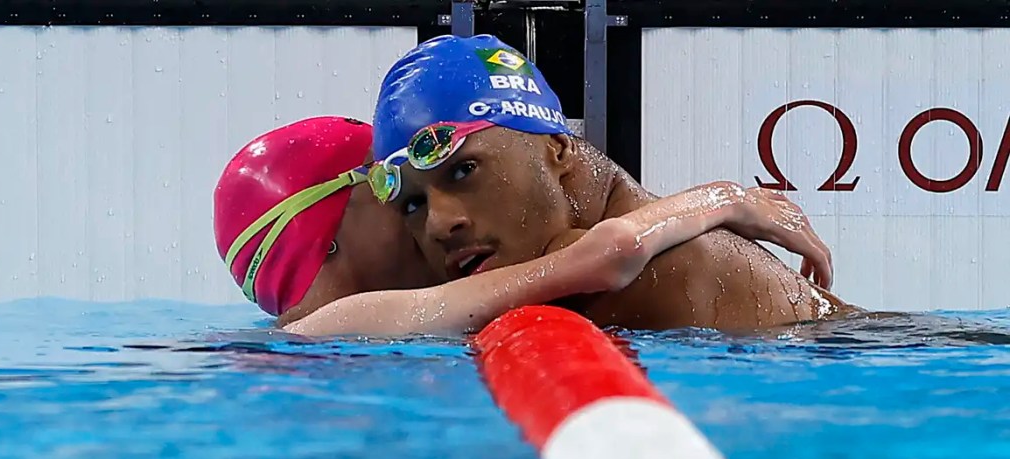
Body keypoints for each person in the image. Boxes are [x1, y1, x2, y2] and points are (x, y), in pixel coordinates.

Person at [370, 35, 858, 332]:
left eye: (463, 170)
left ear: (558, 148)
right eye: (412, 204)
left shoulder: (659, 269)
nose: (438, 225)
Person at [213, 116, 835, 337]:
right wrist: (727, 199)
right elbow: (604, 255)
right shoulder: (345, 326)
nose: (436, 221)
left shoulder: (309, 345)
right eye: (397, 192)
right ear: (332, 234)